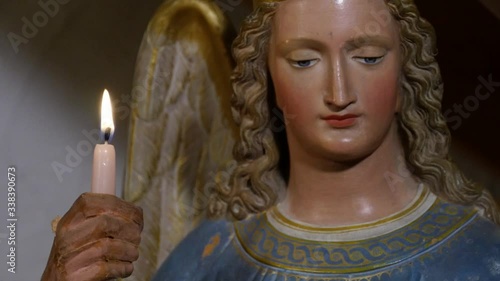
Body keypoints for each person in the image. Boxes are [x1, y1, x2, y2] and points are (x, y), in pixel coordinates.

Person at [42, 0, 500, 280]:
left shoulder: (480, 256)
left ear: (404, 73)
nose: (339, 93)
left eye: (367, 56)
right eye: (304, 61)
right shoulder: (211, 256)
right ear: (267, 80)